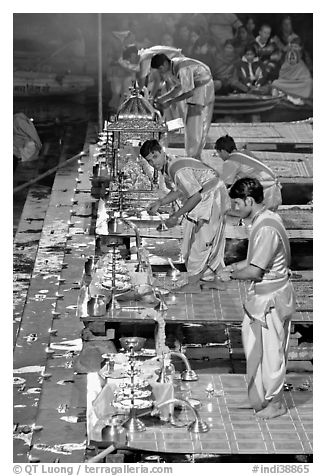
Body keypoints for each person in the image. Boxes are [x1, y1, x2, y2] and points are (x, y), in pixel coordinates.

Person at [222, 178, 296, 419]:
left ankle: (275, 402)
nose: (234, 209)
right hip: (268, 297)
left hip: (269, 301)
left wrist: (231, 276)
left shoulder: (264, 228)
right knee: (261, 351)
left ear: (249, 201)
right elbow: (255, 260)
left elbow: (255, 271)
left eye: (236, 203)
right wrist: (229, 268)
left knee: (271, 353)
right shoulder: (267, 220)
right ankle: (263, 399)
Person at [139, 139, 230, 292]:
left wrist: (175, 216)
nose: (153, 163)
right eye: (150, 161)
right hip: (208, 195)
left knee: (201, 242)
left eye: (155, 157)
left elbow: (195, 197)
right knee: (208, 241)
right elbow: (182, 190)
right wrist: (160, 202)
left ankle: (193, 283)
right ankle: (216, 279)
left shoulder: (176, 169)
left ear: (161, 151)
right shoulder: (170, 164)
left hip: (211, 197)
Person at [151, 53, 215, 160]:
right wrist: (162, 98)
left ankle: (194, 155)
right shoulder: (173, 67)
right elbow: (178, 88)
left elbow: (189, 92)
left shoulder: (181, 68)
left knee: (194, 123)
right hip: (197, 88)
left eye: (161, 68)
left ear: (165, 64)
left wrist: (171, 101)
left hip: (202, 87)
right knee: (190, 122)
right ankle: (193, 154)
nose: (161, 71)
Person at [213, 134, 282, 211]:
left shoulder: (231, 161)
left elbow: (224, 186)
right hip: (274, 192)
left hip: (264, 194)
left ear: (222, 151)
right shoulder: (244, 152)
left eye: (219, 153)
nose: (220, 156)